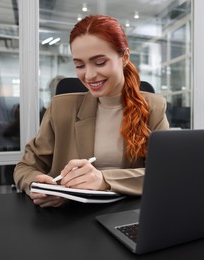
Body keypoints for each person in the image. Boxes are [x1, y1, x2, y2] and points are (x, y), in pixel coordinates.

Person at [14, 15, 169, 208]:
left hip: (127, 214)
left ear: (124, 57)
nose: (89, 75)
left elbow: (165, 173)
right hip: (68, 216)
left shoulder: (153, 107)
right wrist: (37, 184)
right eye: (79, 65)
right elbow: (26, 167)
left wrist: (104, 179)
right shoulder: (60, 108)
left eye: (100, 62)